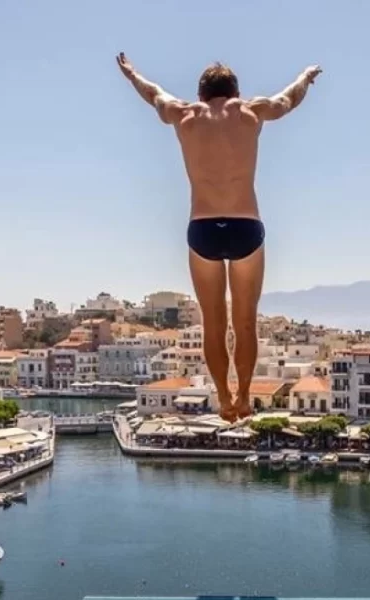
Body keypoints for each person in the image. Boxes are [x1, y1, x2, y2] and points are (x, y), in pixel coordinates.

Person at [117, 53, 322, 421]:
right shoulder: (250, 112)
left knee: (213, 320)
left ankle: (224, 398)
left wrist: (132, 74)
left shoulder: (184, 115)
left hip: (203, 228)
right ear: (235, 92)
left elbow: (153, 94)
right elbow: (288, 100)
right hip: (245, 226)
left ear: (201, 93)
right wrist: (306, 76)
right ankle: (244, 396)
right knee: (245, 319)